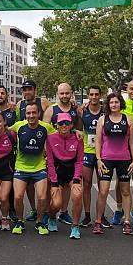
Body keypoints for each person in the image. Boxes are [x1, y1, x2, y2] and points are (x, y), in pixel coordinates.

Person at [93, 93, 133, 235]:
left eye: (116, 102)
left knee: (125, 191)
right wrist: (98, 159)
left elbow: (132, 142)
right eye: (111, 102)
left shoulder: (128, 119)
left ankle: (127, 221)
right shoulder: (102, 120)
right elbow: (98, 141)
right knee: (103, 191)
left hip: (124, 159)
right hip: (106, 160)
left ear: (120, 103)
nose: (114, 105)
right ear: (108, 104)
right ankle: (98, 221)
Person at [10, 103, 55, 235]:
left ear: (38, 114)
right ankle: (19, 221)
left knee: (41, 197)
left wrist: (76, 131)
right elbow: (3, 129)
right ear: (25, 115)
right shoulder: (19, 126)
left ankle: (40, 222)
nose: (31, 116)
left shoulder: (46, 127)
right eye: (28, 113)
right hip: (21, 167)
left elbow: (62, 133)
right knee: (18, 197)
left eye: (33, 113)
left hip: (39, 167)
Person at [43, 82, 83, 225]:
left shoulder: (75, 109)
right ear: (57, 93)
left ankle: (64, 212)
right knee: (52, 186)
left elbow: (78, 130)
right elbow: (44, 131)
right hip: (53, 153)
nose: (64, 96)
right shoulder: (50, 110)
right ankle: (49, 212)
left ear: (71, 93)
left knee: (67, 186)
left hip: (69, 154)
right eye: (62, 93)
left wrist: (78, 131)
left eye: (67, 93)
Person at [112, 79, 133, 226]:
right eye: (131, 89)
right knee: (121, 180)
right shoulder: (121, 106)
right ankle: (119, 209)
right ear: (126, 90)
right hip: (122, 150)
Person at [16, 80, 51, 222]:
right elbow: (18, 126)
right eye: (24, 89)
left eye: (29, 89)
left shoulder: (43, 102)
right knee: (28, 184)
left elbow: (55, 115)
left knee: (43, 184)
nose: (26, 92)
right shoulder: (19, 105)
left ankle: (45, 211)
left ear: (35, 89)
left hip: (41, 146)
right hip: (25, 149)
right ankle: (33, 208)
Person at [46, 113, 84, 239]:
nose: (64, 125)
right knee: (56, 204)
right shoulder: (50, 138)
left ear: (71, 125)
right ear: (56, 125)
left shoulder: (78, 138)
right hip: (58, 174)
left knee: (78, 195)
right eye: (61, 123)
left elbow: (79, 161)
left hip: (72, 173)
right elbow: (50, 162)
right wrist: (54, 182)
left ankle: (75, 226)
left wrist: (77, 178)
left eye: (67, 123)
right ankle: (52, 217)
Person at [77, 86, 105, 227]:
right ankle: (87, 216)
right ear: (88, 96)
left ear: (100, 95)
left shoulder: (106, 111)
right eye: (91, 94)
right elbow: (78, 129)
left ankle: (102, 215)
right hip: (87, 152)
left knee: (103, 186)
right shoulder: (83, 111)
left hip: (103, 152)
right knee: (86, 184)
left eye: (96, 94)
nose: (94, 97)